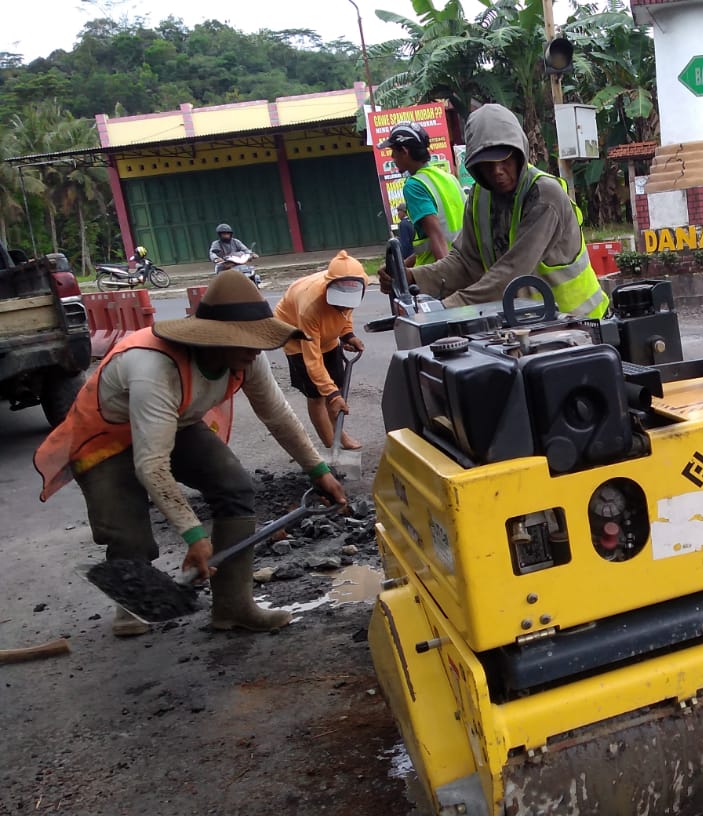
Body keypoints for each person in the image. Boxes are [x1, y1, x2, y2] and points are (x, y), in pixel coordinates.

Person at [34, 269, 348, 637]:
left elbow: (277, 415)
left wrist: (318, 471)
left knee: (234, 485)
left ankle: (233, 606)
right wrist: (194, 535)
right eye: (247, 341)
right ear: (215, 338)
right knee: (126, 528)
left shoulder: (247, 357)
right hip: (105, 435)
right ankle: (132, 604)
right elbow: (151, 466)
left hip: (175, 422)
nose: (256, 350)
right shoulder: (155, 366)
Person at [379, 103, 607, 319]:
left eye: (504, 159)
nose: (497, 171)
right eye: (487, 164)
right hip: (529, 325)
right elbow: (465, 262)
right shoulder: (480, 196)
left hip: (578, 324)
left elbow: (513, 272)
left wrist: (445, 308)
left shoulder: (544, 195)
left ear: (520, 153)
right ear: (475, 166)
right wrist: (412, 276)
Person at [276, 250, 368, 451]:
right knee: (318, 394)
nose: (345, 305)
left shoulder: (355, 287)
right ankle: (331, 442)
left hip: (326, 336)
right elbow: (312, 360)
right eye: (339, 300)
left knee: (336, 385)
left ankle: (338, 434)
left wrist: (347, 335)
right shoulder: (310, 306)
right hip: (296, 336)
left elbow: (344, 315)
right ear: (329, 287)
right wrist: (332, 395)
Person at [380, 121, 465, 268]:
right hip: (464, 264)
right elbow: (430, 244)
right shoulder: (448, 178)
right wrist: (402, 267)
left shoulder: (414, 185)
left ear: (404, 152)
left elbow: (437, 237)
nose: (392, 157)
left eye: (393, 151)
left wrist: (447, 278)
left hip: (438, 277)